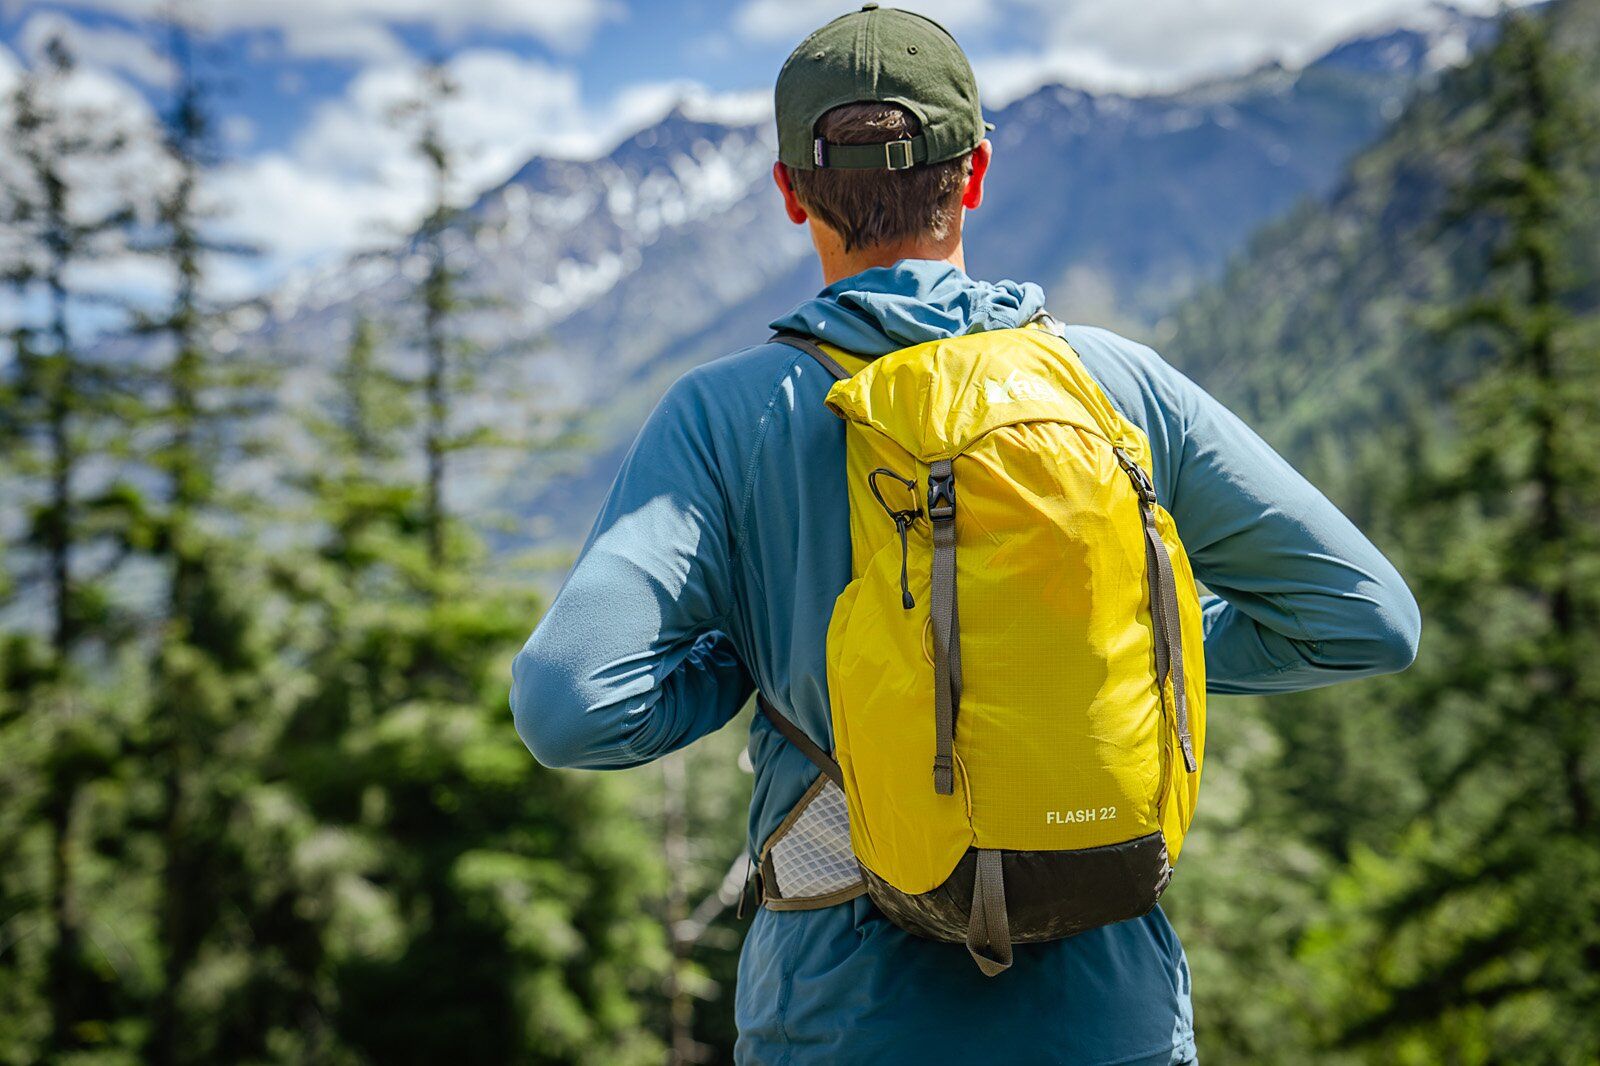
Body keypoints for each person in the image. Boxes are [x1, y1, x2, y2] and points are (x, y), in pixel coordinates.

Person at [511, 5, 1420, 1063]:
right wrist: (1098, 646)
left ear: (791, 193)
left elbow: (571, 704)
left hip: (840, 1022)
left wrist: (741, 666)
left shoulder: (723, 415)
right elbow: (1364, 619)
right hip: (1107, 1020)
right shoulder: (1111, 383)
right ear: (975, 172)